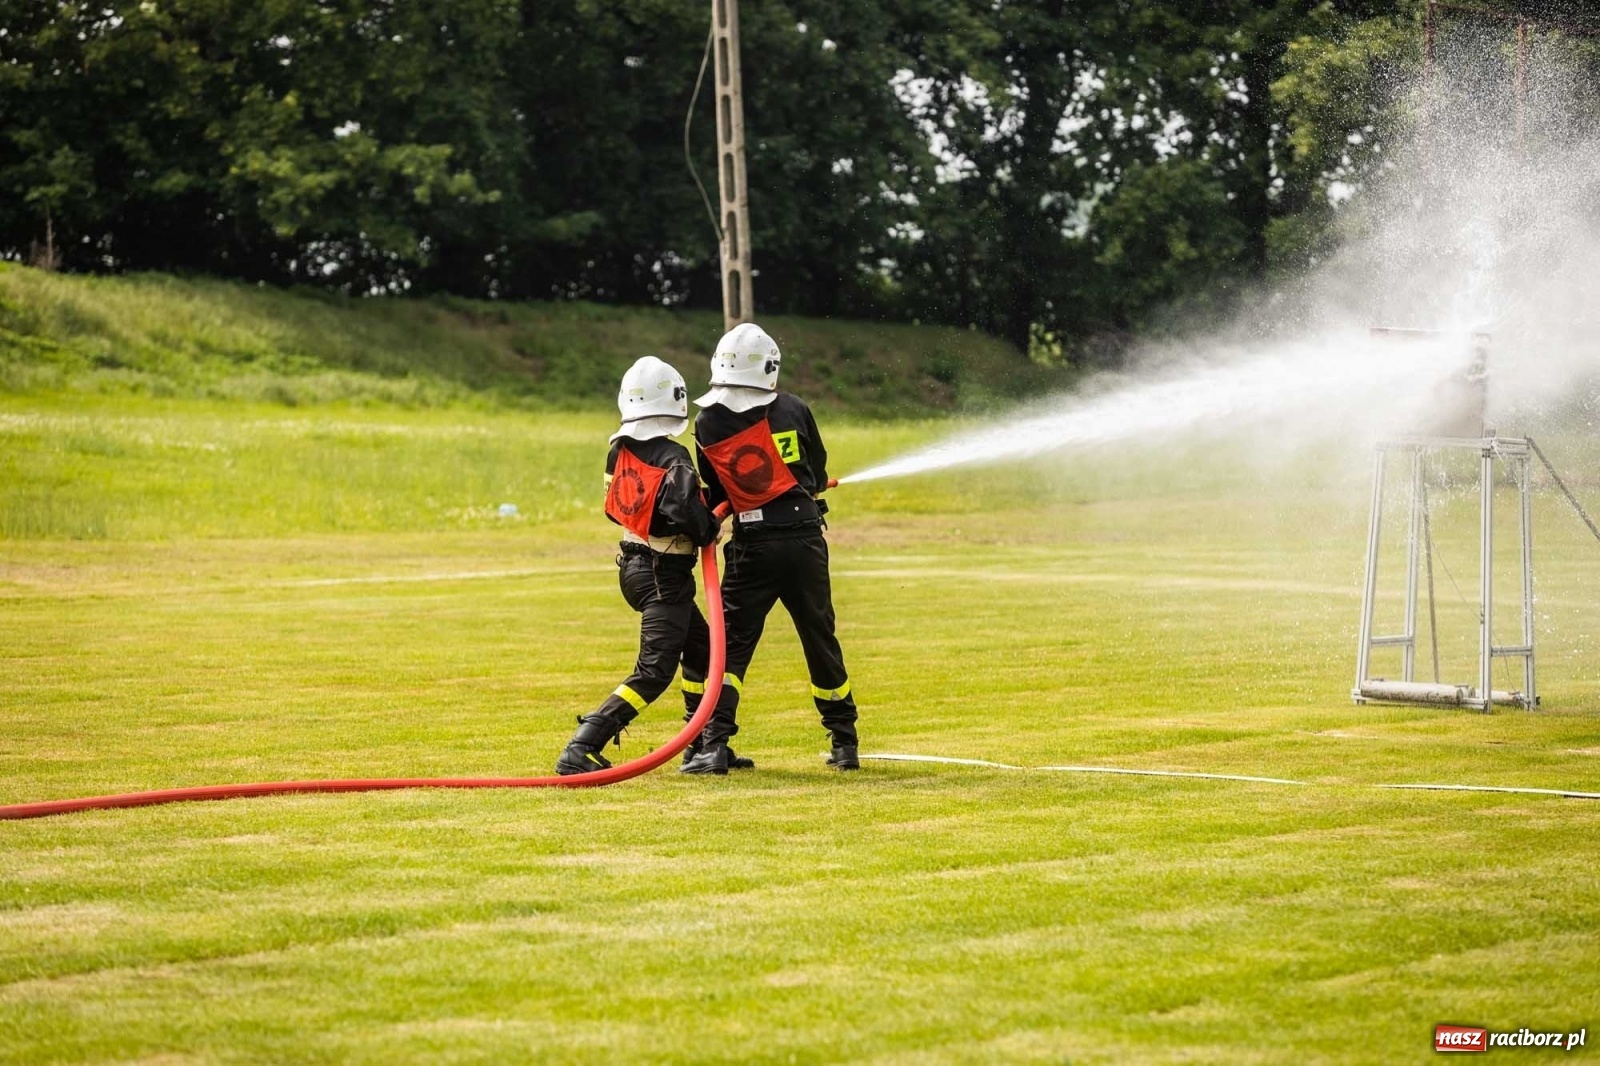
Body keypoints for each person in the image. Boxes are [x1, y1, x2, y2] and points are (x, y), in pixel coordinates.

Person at [679, 323, 860, 775]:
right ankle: (845, 743)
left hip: (753, 545)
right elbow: (816, 472)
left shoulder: (709, 420)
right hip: (804, 541)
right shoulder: (795, 408)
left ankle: (714, 745)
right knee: (820, 639)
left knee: (733, 647)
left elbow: (717, 486)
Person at [554, 356, 723, 776]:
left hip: (633, 566)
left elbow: (615, 509)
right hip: (663, 574)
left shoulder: (620, 449)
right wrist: (710, 525)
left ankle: (700, 741)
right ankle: (583, 744)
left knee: (701, 648)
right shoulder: (675, 457)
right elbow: (686, 511)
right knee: (653, 671)